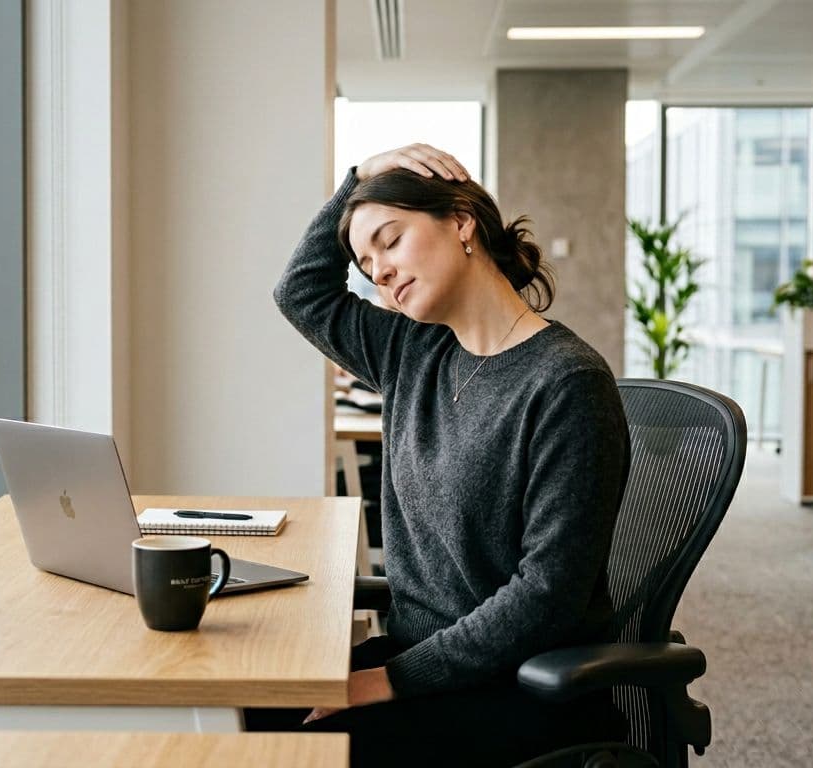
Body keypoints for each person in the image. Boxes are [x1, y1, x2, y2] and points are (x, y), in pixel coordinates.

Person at [249, 144, 632, 766]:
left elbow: (547, 594)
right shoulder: (414, 353)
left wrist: (384, 681)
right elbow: (300, 292)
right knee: (237, 709)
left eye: (390, 241)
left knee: (286, 752)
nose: (378, 272)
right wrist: (358, 178)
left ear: (461, 222)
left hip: (518, 687)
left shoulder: (567, 383)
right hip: (420, 661)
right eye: (367, 263)